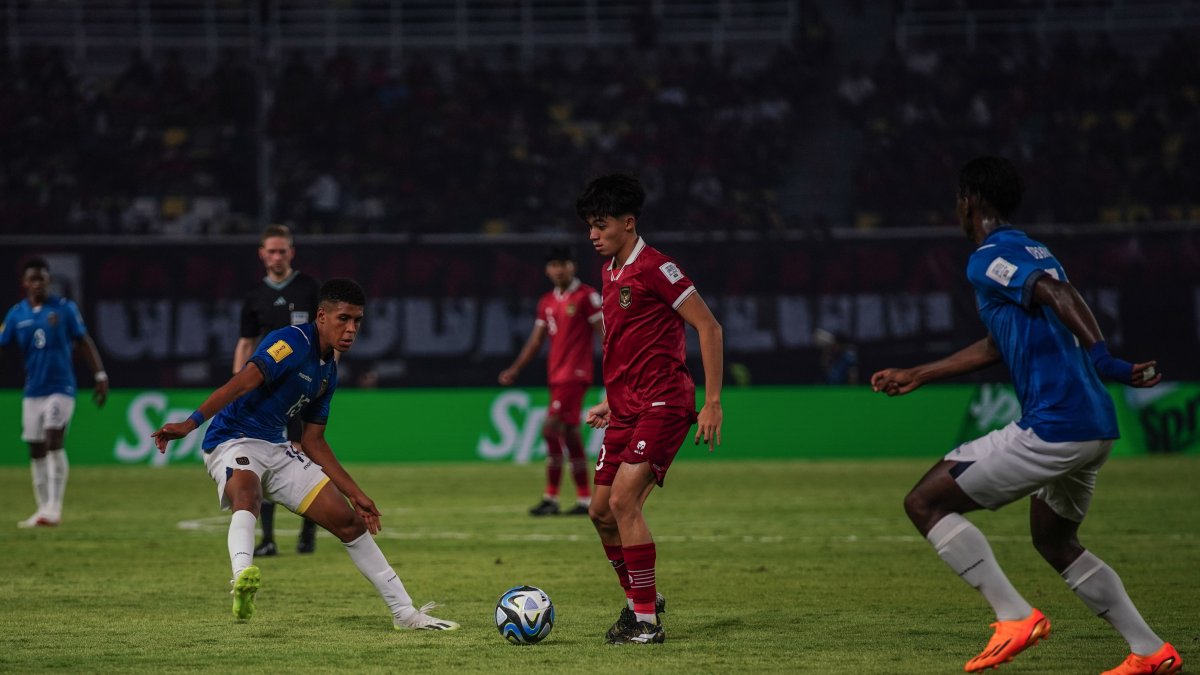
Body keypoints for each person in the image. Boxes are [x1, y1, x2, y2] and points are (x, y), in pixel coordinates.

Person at [870, 157, 1181, 675]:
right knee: (1054, 540)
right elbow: (999, 343)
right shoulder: (1033, 249)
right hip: (1094, 426)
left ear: (969, 200)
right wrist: (921, 373)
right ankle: (1151, 651)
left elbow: (1058, 294)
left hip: (1056, 426)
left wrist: (1104, 358)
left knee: (924, 502)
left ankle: (1014, 616)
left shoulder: (988, 256)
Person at [151, 279, 458, 631]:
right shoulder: (291, 342)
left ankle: (405, 614)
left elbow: (313, 441)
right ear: (322, 316)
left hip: (277, 447)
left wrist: (357, 495)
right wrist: (191, 424)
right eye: (344, 318)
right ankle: (242, 577)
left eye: (358, 321)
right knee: (248, 496)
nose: (351, 329)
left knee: (349, 524)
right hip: (231, 440)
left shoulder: (328, 372)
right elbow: (243, 381)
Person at [576, 174, 724, 645]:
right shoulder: (610, 271)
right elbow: (629, 344)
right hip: (626, 408)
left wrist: (712, 402)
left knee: (623, 501)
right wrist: (610, 399)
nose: (592, 235)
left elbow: (710, 328)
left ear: (628, 222)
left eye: (600, 225)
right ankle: (638, 599)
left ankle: (646, 622)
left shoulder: (657, 268)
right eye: (589, 227)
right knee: (600, 512)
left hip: (664, 402)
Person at [1, 258, 108, 528]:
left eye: (42, 279)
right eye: (32, 279)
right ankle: (42, 509)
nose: (37, 284)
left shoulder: (64, 309)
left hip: (61, 388)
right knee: (36, 449)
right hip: (33, 391)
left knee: (53, 438)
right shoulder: (17, 314)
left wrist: (100, 375)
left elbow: (83, 341)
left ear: (49, 281)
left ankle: (54, 508)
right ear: (25, 283)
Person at [235, 224, 322, 556]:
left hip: (304, 385)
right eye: (270, 251)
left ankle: (308, 533)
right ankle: (268, 539)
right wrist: (238, 382)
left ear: (291, 252)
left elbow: (329, 334)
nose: (276, 256)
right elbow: (245, 342)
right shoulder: (255, 296)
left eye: (281, 250)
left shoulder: (310, 288)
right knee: (264, 454)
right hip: (267, 389)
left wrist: (327, 371)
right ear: (262, 254)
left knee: (308, 451)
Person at [499, 246, 604, 517]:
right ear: (547, 270)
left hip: (575, 375)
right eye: (553, 265)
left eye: (563, 264)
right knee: (570, 434)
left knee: (550, 428)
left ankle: (551, 497)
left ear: (573, 267)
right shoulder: (546, 301)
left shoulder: (587, 297)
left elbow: (605, 335)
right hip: (556, 376)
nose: (558, 270)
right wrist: (515, 369)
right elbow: (536, 341)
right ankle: (584, 500)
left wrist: (619, 367)